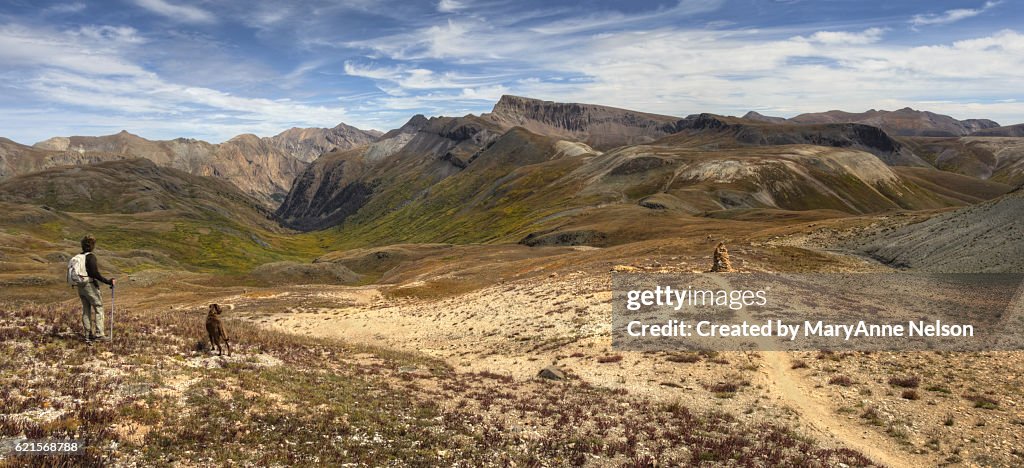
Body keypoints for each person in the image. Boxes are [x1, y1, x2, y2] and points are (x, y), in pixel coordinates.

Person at [77, 235, 115, 342]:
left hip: (80, 286)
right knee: (98, 307)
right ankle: (99, 335)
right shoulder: (90, 257)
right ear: (92, 245)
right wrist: (108, 281)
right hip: (89, 285)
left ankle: (88, 334)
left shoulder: (79, 257)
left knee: (86, 309)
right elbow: (95, 273)